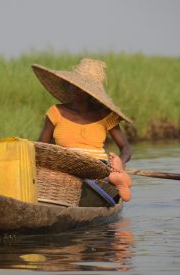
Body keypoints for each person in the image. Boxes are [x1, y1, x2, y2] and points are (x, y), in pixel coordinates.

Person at [32, 58, 133, 201]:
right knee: (52, 176)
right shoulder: (56, 111)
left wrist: (120, 164)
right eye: (74, 85)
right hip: (65, 163)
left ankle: (116, 177)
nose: (75, 90)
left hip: (96, 167)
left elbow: (126, 148)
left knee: (101, 177)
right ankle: (114, 178)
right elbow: (42, 146)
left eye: (81, 88)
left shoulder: (105, 115)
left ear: (90, 93)